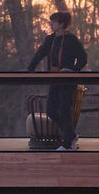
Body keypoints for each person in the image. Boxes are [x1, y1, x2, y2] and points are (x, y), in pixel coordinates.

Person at [28, 11, 88, 150]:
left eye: (54, 22)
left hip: (67, 81)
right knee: (51, 110)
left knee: (64, 109)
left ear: (61, 24)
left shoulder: (72, 39)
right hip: (54, 79)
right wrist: (30, 69)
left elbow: (83, 58)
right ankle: (71, 135)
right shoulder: (50, 40)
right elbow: (39, 54)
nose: (51, 24)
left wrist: (72, 70)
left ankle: (67, 143)